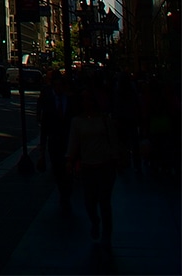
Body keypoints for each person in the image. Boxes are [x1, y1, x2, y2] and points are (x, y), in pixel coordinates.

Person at [67, 86, 118, 244]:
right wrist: (69, 160)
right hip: (88, 165)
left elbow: (114, 140)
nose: (85, 102)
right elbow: (73, 144)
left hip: (105, 165)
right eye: (83, 99)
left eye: (88, 98)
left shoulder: (104, 119)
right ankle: (95, 222)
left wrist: (116, 157)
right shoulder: (77, 122)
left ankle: (107, 233)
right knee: (89, 202)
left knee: (104, 201)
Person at [38, 71, 75, 211]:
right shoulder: (49, 102)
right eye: (56, 86)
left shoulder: (70, 102)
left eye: (61, 86)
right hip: (54, 142)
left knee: (68, 169)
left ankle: (66, 193)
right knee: (58, 170)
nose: (58, 89)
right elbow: (45, 126)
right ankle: (63, 193)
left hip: (68, 141)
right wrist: (42, 150)